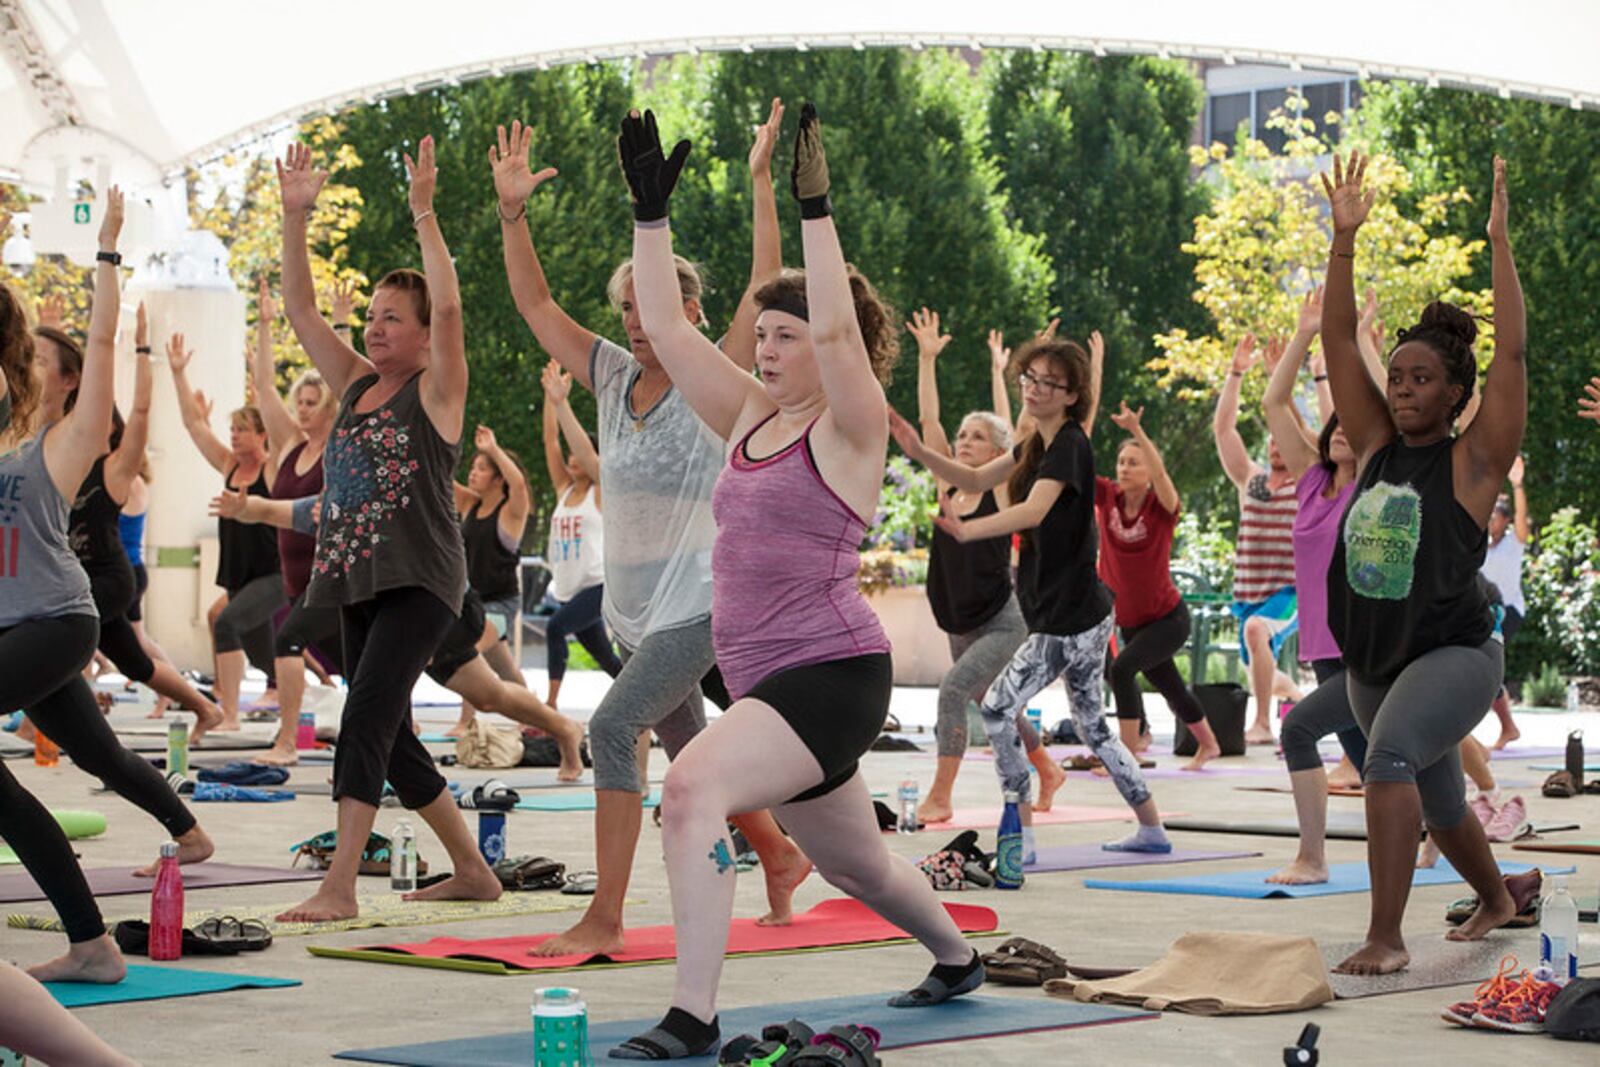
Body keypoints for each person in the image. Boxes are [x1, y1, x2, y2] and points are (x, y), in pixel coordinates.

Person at [612, 102, 983, 1061]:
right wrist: (649, 218)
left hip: (830, 672)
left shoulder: (850, 428)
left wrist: (815, 208)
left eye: (788, 337)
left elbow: (837, 343)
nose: (769, 351)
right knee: (853, 863)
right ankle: (956, 956)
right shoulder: (744, 412)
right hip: (764, 679)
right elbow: (663, 320)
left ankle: (692, 1015)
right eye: (764, 338)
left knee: (692, 789)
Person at [492, 103, 810, 961]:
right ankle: (780, 854)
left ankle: (604, 915)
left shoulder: (719, 374)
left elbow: (764, 280)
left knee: (610, 728)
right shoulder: (604, 371)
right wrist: (512, 212)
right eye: (628, 306)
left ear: (687, 306)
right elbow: (534, 303)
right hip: (635, 611)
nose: (637, 320)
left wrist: (758, 185)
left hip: (702, 601)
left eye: (651, 305)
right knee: (688, 743)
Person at [273, 134, 501, 921]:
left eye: (390, 318)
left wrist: (425, 213)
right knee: (392, 735)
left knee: (365, 717)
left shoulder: (436, 393)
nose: (373, 328)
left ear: (424, 335)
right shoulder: (354, 386)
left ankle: (340, 884)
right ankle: (474, 868)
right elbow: (301, 309)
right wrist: (294, 218)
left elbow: (450, 304)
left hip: (421, 581)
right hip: (356, 580)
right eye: (370, 316)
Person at [1321, 152, 1530, 975]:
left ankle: (1386, 935)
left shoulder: (1473, 463)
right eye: (1398, 376)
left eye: (1421, 379)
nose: (1403, 388)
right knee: (1440, 795)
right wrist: (1343, 241)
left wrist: (1499, 243)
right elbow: (1339, 337)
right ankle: (1497, 895)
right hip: (1378, 656)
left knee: (1390, 759)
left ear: (1454, 393)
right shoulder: (1374, 444)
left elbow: (1510, 354)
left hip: (1456, 653)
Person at [0, 190, 208, 984]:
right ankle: (91, 944)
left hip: (58, 621)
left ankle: (97, 938)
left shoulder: (62, 446)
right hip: (12, 634)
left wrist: (109, 255)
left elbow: (99, 336)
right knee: (88, 758)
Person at [894, 335, 1170, 858]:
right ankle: (1151, 828)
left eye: (1050, 383)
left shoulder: (1069, 445)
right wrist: (919, 452)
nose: (1036, 389)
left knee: (997, 708)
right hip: (1081, 614)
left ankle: (1019, 837)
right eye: (1030, 379)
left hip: (1068, 620)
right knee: (1093, 728)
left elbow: (1034, 512)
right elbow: (974, 474)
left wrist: (969, 531)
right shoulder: (1036, 445)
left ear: (1071, 395)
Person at [211, 487, 587, 775]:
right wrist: (242, 508)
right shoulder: (330, 505)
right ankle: (564, 727)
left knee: (409, 686)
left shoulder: (387, 501)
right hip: (404, 615)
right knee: (486, 693)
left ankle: (370, 766)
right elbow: (274, 510)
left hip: (440, 606)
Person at [900, 307, 1064, 825]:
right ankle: (1048, 768)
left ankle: (940, 796)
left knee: (953, 690)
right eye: (962, 435)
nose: (962, 441)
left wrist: (1032, 373)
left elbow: (1022, 429)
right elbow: (928, 423)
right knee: (998, 702)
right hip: (958, 619)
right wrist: (928, 360)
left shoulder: (997, 484)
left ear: (995, 451)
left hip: (1001, 619)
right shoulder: (946, 482)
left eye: (974, 437)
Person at [33, 307, 223, 738]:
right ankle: (204, 707)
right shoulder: (60, 458)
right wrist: (56, 335)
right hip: (80, 578)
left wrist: (142, 350)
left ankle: (42, 724)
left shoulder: (118, 471)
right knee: (134, 661)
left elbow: (139, 410)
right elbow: (53, 398)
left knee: (54, 630)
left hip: (109, 577)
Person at [1261, 287, 1364, 884]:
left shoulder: (1372, 486)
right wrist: (1303, 335)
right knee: (1381, 762)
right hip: (1322, 649)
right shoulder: (1309, 481)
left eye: (1357, 424)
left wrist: (1352, 348)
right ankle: (1441, 837)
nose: (1345, 430)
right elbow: (1275, 402)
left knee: (1297, 730)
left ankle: (1313, 858)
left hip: (1364, 648)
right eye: (1337, 424)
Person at [1095, 400, 1223, 771]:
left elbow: (1165, 478)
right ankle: (1209, 744)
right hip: (1132, 621)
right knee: (1170, 686)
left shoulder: (1161, 507)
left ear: (1150, 471)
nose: (1125, 468)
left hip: (1168, 619)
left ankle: (1127, 756)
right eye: (1122, 462)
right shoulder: (1108, 498)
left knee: (1121, 670)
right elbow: (1077, 466)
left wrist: (1137, 432)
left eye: (1135, 462)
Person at [167, 333, 284, 730]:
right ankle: (305, 681)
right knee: (266, 655)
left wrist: (259, 373)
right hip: (240, 574)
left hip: (274, 572)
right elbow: (193, 425)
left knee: (227, 620)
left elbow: (273, 409)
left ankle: (228, 713)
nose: (233, 437)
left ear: (262, 434)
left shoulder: (272, 468)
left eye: (242, 430)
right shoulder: (230, 465)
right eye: (231, 430)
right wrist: (178, 373)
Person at [250, 276, 342, 765]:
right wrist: (266, 326)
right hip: (294, 579)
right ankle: (401, 731)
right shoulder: (290, 447)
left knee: (286, 641)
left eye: (312, 403)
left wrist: (341, 324)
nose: (303, 410)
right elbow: (264, 387)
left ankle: (287, 742)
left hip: (330, 579)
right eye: (299, 403)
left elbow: (345, 381)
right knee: (357, 662)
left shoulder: (339, 445)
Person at [1214, 334, 1303, 744]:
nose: (1275, 443)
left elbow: (1298, 428)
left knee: (1255, 632)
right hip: (1250, 591)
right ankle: (1295, 697)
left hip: (1291, 591)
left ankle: (1264, 724)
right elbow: (1224, 429)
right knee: (1260, 670)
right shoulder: (1251, 478)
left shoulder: (1308, 481)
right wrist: (1236, 373)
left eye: (1281, 437)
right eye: (1270, 439)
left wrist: (1277, 380)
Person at [539, 359, 625, 709]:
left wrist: (566, 404)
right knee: (609, 662)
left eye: (581, 455)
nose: (574, 460)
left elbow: (587, 453)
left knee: (555, 629)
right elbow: (550, 441)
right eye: (571, 455)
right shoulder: (563, 490)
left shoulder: (600, 492)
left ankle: (550, 705)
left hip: (596, 586)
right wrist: (550, 398)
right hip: (568, 588)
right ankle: (654, 709)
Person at [448, 422, 539, 737]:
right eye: (473, 468)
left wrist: (493, 450)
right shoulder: (471, 505)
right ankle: (537, 716)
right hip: (474, 603)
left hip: (500, 603)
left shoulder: (510, 512)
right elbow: (439, 477)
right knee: (505, 670)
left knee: (467, 651)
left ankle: (466, 722)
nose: (473, 474)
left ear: (498, 477)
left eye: (482, 468)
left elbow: (519, 487)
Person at [1479, 456, 1530, 749]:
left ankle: (1508, 727)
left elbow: (1523, 519)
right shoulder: (1479, 547)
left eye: (1496, 514)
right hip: (1485, 612)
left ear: (1506, 520)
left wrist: (1517, 485)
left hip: (1508, 611)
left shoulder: (1514, 542)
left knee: (1486, 662)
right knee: (1486, 667)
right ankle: (1508, 727)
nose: (1491, 519)